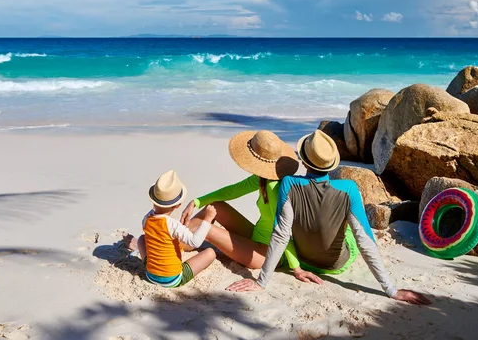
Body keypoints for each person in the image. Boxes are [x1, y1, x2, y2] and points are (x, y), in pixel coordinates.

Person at [227, 130, 431, 305]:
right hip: (337, 265)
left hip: (305, 262)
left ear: (304, 161)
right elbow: (364, 241)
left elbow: (281, 235)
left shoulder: (288, 184)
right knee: (353, 227)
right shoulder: (349, 189)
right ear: (331, 164)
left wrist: (261, 282)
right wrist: (392, 290)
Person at [180, 130, 315, 280]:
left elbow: (283, 230)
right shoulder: (265, 178)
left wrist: (296, 268)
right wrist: (196, 202)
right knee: (216, 207)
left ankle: (172, 243)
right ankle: (180, 240)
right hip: (257, 237)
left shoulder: (275, 188)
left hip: (269, 253)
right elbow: (233, 191)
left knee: (207, 229)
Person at [125, 169, 217, 288]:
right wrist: (208, 219)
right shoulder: (173, 225)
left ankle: (149, 263)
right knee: (210, 253)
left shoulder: (146, 219)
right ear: (178, 205)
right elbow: (196, 242)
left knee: (142, 239)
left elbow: (160, 233)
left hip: (150, 275)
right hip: (173, 279)